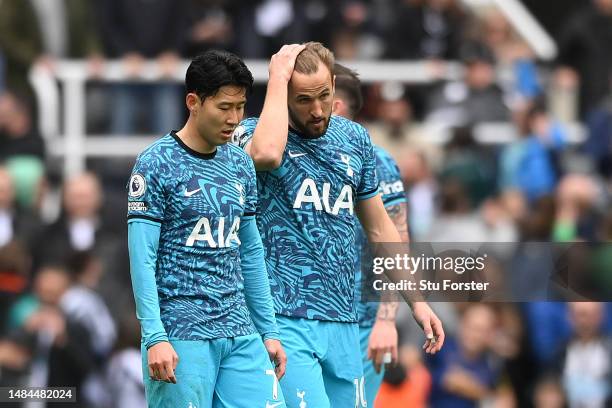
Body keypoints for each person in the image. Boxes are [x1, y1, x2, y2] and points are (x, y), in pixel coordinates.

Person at [233, 41, 444, 408]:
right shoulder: (251, 133)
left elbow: (381, 230)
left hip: (344, 320)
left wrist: (418, 303)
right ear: (283, 95)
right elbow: (266, 154)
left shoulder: (356, 140)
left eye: (324, 96)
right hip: (285, 317)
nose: (317, 110)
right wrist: (278, 77)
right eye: (303, 100)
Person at [127, 50, 286, 407]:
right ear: (193, 102)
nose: (234, 119)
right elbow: (142, 258)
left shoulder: (241, 164)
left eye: (240, 107)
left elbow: (251, 252)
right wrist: (155, 336)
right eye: (224, 107)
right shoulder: (155, 163)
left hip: (239, 329)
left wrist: (269, 330)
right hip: (181, 333)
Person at [332, 62, 408, 407]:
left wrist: (386, 320)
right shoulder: (286, 156)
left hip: (362, 326)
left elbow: (398, 244)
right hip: (300, 324)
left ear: (336, 106)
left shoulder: (377, 162)